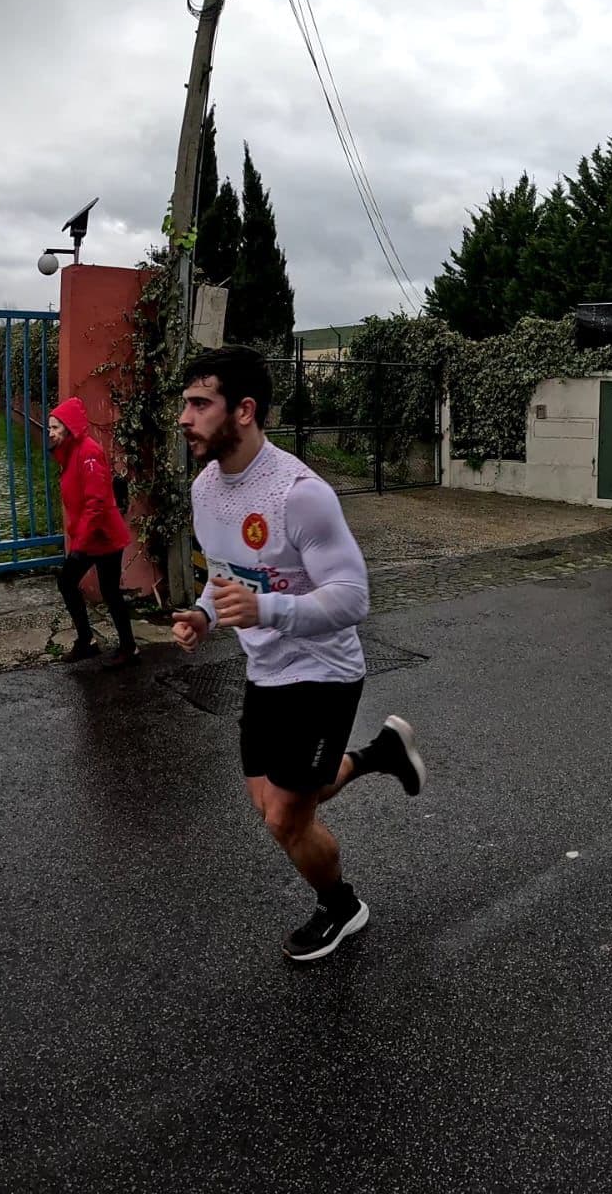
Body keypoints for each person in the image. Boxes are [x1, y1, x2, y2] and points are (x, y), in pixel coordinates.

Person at [170, 345, 425, 963]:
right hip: (265, 672)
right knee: (272, 802)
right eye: (184, 403)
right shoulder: (205, 489)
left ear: (244, 411)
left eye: (200, 404)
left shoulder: (300, 494)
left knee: (286, 817)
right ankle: (379, 754)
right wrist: (205, 614)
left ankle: (342, 908)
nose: (184, 417)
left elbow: (353, 598)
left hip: (324, 672)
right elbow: (225, 574)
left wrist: (267, 611)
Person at [48, 397, 139, 668]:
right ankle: (87, 641)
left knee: (107, 591)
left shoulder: (88, 452)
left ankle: (128, 647)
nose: (50, 432)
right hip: (90, 536)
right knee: (70, 584)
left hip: (103, 536)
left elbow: (96, 502)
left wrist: (79, 546)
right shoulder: (70, 452)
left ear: (69, 428)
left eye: (55, 427)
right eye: (50, 427)